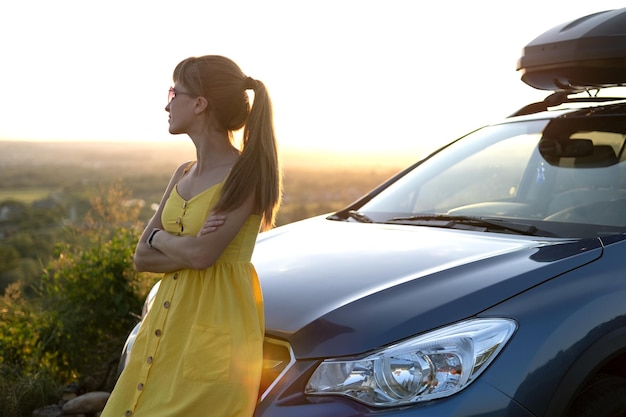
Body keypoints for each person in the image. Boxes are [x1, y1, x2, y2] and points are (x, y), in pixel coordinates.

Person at [101, 55, 282, 417]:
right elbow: (141, 257)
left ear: (200, 104)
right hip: (165, 328)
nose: (167, 104)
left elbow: (202, 257)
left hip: (213, 330)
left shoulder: (245, 176)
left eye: (174, 92)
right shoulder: (182, 172)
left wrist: (161, 239)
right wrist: (182, 243)